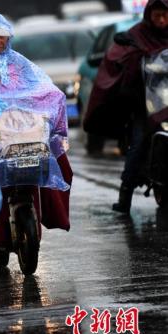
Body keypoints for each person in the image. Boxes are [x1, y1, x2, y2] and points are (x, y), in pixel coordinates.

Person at [0, 12, 73, 249]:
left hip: (22, 131)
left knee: (54, 161)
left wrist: (52, 99)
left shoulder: (20, 62)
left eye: (2, 36)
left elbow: (41, 86)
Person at [84, 0, 168, 213]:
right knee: (139, 143)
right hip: (146, 104)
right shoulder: (137, 34)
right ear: (149, 15)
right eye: (157, 15)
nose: (161, 20)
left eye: (165, 15)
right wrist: (128, 51)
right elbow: (117, 55)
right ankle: (125, 194)